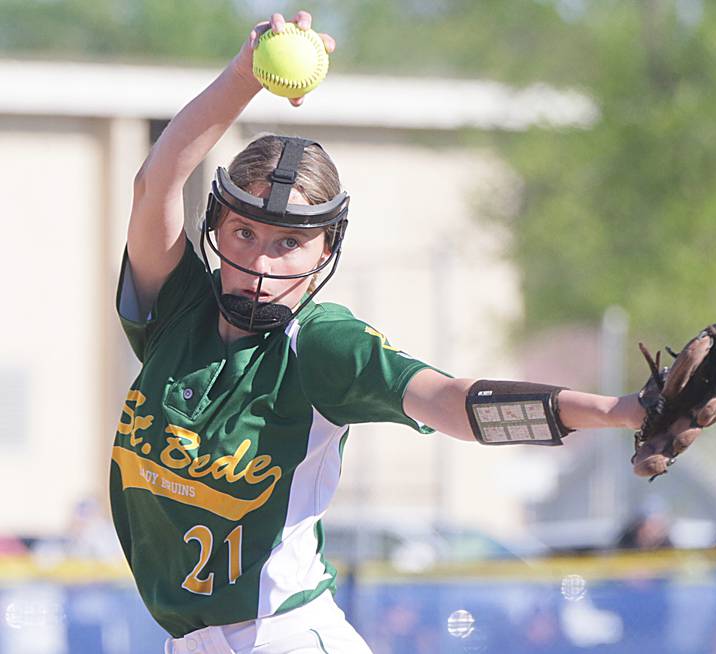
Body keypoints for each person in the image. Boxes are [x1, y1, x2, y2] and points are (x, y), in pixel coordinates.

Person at [111, 9, 646, 654]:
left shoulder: (320, 346)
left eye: (290, 241)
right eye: (245, 231)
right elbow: (156, 182)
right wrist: (245, 74)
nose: (260, 259)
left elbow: (451, 402)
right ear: (216, 227)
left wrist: (621, 411)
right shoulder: (177, 311)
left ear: (323, 255)